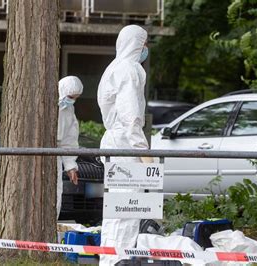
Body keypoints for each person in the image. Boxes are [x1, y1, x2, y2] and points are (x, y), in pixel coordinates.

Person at [97, 24, 152, 265]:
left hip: (115, 143)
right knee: (129, 208)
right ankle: (121, 260)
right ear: (136, 43)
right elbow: (131, 117)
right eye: (145, 43)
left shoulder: (114, 67)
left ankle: (109, 259)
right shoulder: (130, 70)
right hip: (125, 145)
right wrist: (143, 152)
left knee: (115, 211)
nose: (146, 48)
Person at [57, 76, 83, 218]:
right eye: (71, 97)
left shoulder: (68, 109)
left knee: (55, 193)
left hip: (54, 155)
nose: (73, 100)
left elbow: (69, 139)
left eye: (75, 98)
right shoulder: (45, 104)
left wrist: (70, 166)